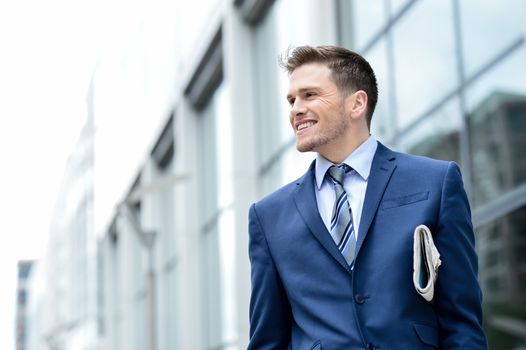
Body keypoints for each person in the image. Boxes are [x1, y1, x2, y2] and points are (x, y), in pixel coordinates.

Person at [247, 45, 487, 349]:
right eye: (292, 100)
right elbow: (268, 340)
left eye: (310, 95)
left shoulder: (435, 182)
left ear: (357, 104)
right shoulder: (268, 216)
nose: (296, 109)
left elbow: (462, 325)